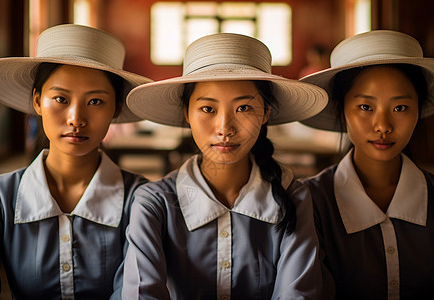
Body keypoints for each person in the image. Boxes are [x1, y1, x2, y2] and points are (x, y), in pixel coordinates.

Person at [121, 33, 330, 299]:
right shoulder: (153, 203)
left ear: (265, 113)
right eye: (208, 109)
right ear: (187, 113)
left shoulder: (294, 198)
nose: (224, 129)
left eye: (243, 108)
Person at [0, 24, 152, 299]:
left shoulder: (141, 199)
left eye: (95, 102)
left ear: (115, 109)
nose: (76, 118)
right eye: (60, 98)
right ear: (37, 101)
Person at [299, 30, 434, 299]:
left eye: (400, 108)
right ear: (342, 109)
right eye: (365, 107)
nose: (383, 126)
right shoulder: (310, 201)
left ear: (419, 110)